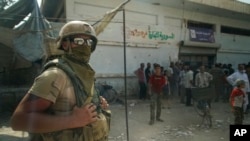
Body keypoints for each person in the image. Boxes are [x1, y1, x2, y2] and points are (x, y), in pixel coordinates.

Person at [10, 21, 110, 141]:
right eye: (78, 41)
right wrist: (72, 120)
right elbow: (18, 120)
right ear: (64, 44)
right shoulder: (56, 75)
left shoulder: (84, 72)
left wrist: (97, 105)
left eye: (89, 42)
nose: (84, 45)